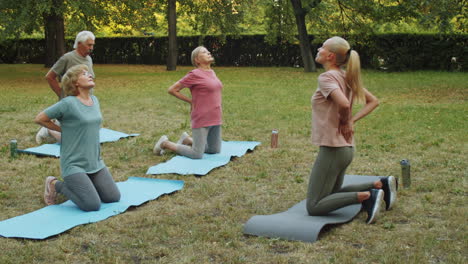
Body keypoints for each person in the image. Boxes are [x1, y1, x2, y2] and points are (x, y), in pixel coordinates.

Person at [306, 36, 397, 224]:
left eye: (322, 47)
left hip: (333, 149)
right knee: (332, 193)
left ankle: (369, 196)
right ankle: (380, 185)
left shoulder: (326, 77)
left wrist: (347, 121)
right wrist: (351, 121)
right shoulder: (346, 76)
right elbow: (374, 101)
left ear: (330, 56)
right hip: (346, 149)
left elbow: (344, 104)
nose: (318, 49)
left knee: (314, 206)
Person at [35, 64, 120, 211]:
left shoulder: (95, 100)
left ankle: (86, 184)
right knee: (92, 205)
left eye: (89, 72)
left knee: (113, 197)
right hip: (74, 164)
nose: (89, 75)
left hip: (95, 161)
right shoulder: (67, 103)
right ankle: (55, 184)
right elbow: (40, 118)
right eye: (84, 74)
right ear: (75, 82)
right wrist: (62, 130)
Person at [153, 46, 222, 159]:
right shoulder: (194, 74)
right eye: (204, 52)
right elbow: (172, 90)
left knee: (214, 150)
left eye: (208, 51)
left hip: (216, 116)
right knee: (196, 154)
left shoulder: (211, 72)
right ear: (197, 60)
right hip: (202, 116)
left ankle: (187, 140)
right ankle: (165, 143)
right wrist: (191, 101)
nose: (208, 52)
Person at [36, 31, 96, 144]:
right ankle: (48, 130)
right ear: (79, 44)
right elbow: (50, 77)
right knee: (72, 138)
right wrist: (61, 94)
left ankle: (57, 128)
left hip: (85, 102)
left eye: (92, 45)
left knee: (83, 134)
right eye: (89, 45)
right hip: (71, 103)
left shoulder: (89, 59)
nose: (91, 48)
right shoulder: (67, 58)